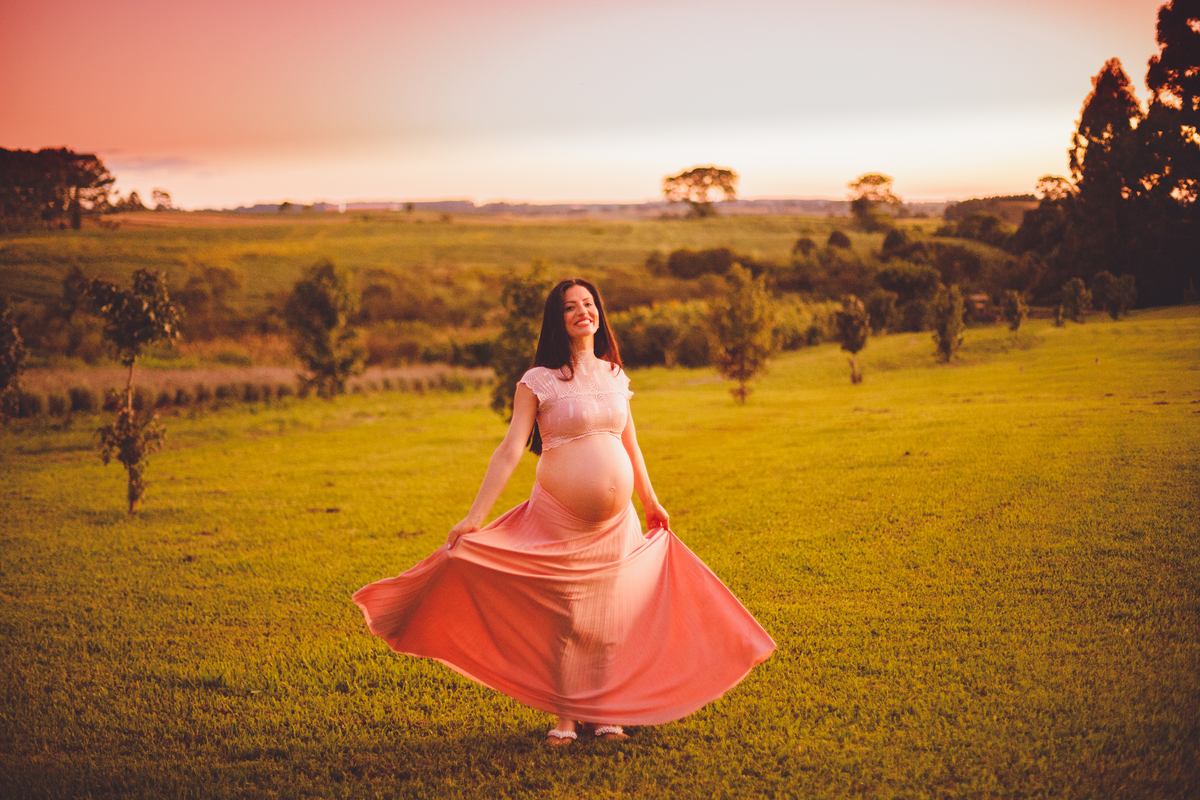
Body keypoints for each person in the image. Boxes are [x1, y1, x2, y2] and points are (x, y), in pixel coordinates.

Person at [353, 278, 775, 747]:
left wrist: (651, 502)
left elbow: (631, 444)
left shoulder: (616, 374)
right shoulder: (538, 381)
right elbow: (512, 449)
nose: (582, 312)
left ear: (599, 313)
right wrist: (474, 517)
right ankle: (567, 717)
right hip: (559, 515)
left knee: (612, 613)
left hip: (617, 521)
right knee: (568, 617)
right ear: (558, 319)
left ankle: (607, 712)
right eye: (571, 307)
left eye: (589, 304)